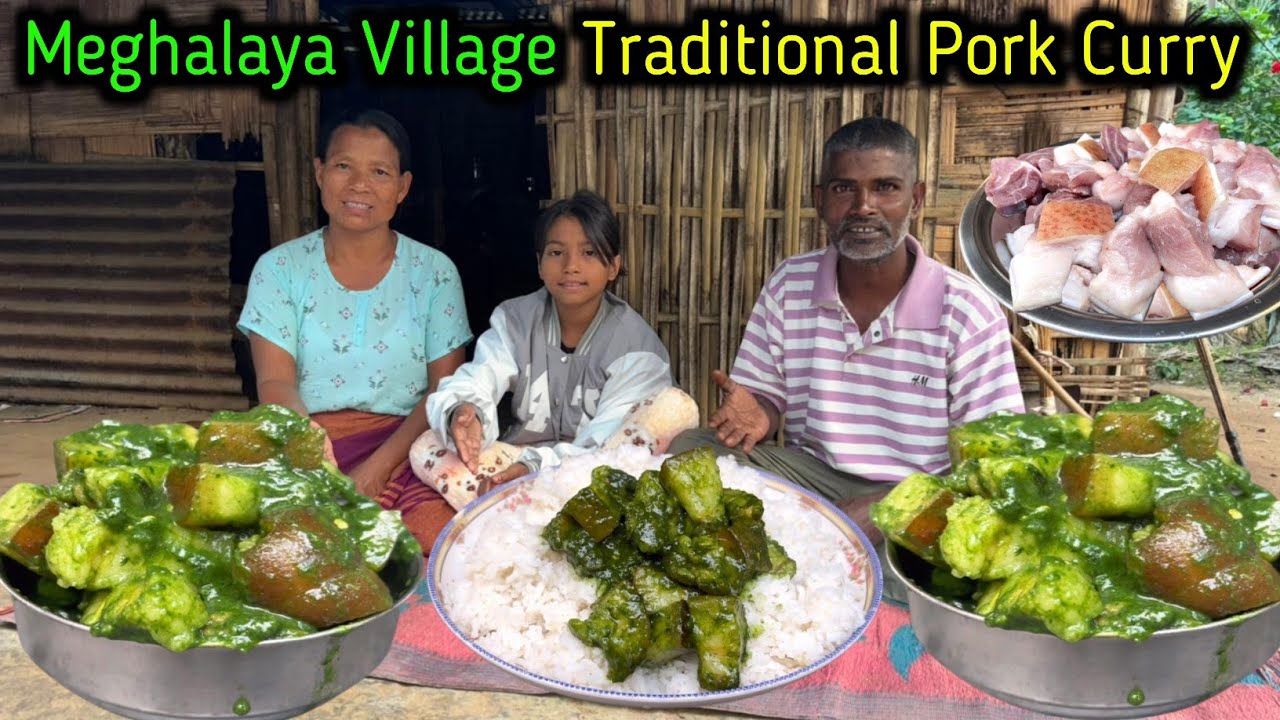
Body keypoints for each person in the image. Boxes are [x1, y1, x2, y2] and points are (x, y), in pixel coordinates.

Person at [669, 117, 1025, 552]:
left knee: (977, 528)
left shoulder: (966, 311)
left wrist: (887, 508)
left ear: (916, 198)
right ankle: (818, 541)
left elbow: (996, 463)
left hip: (922, 493)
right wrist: (761, 413)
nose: (863, 206)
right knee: (691, 450)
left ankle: (840, 551)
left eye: (886, 188)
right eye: (843, 189)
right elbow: (764, 398)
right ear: (819, 200)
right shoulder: (789, 285)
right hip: (813, 481)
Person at [237, 108, 472, 550]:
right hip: (307, 439)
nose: (360, 185)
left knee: (442, 536)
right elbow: (274, 381)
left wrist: (378, 468)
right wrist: (310, 452)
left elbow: (443, 390)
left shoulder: (434, 273)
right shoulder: (280, 270)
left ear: (402, 187)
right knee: (268, 538)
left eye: (379, 172)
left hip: (408, 447)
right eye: (344, 166)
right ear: (319, 172)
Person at [416, 190, 696, 510]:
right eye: (556, 252)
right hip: (517, 462)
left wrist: (534, 468)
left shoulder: (637, 348)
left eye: (589, 253)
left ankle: (508, 509)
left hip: (597, 472)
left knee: (644, 436)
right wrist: (465, 413)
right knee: (429, 446)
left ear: (613, 266)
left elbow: (606, 443)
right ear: (539, 264)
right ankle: (510, 502)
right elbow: (478, 376)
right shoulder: (515, 320)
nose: (571, 266)